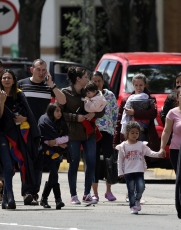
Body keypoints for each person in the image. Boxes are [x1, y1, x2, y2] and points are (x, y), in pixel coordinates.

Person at [0, 69, 41, 210]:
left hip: (18, 135)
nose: (6, 80)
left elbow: (27, 113)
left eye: (9, 77)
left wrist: (24, 118)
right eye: (4, 78)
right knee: (6, 164)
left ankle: (5, 198)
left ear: (13, 80)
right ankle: (10, 196)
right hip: (2, 134)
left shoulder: (19, 95)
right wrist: (2, 102)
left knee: (17, 166)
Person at [18, 59, 66, 205]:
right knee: (26, 161)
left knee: (38, 163)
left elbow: (62, 101)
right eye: (38, 69)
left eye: (44, 70)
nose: (41, 73)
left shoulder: (48, 86)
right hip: (26, 129)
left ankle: (33, 193)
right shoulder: (22, 84)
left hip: (43, 131)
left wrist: (52, 84)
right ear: (32, 69)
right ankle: (26, 191)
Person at [61, 67, 105, 205]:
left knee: (91, 162)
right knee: (73, 164)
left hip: (89, 133)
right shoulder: (65, 93)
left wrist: (95, 114)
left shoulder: (92, 91)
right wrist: (76, 117)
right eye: (86, 77)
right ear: (78, 79)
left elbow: (101, 109)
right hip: (73, 134)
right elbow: (59, 113)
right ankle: (73, 195)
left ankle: (87, 193)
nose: (88, 79)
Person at [115, 73, 160, 204]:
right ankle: (130, 194)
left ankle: (137, 193)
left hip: (144, 134)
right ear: (132, 85)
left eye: (141, 85)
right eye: (136, 85)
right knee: (129, 165)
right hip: (127, 137)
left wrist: (134, 112)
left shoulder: (149, 99)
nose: (138, 87)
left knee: (138, 164)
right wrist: (116, 139)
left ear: (145, 85)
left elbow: (152, 113)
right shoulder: (126, 100)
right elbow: (119, 121)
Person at [116, 121, 165, 214]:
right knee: (130, 189)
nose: (135, 135)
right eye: (132, 133)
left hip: (139, 170)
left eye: (137, 133)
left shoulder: (141, 145)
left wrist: (159, 154)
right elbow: (120, 160)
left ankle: (137, 199)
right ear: (127, 133)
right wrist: (120, 172)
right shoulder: (123, 146)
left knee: (141, 187)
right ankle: (133, 206)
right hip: (128, 172)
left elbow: (150, 153)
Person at [91, 71, 119, 202]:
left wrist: (114, 131)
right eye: (94, 81)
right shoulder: (89, 95)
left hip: (107, 132)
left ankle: (108, 191)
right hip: (92, 132)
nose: (97, 83)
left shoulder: (110, 95)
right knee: (94, 162)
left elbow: (115, 114)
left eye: (99, 81)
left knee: (109, 161)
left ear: (103, 81)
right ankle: (94, 193)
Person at [37, 103, 69, 209]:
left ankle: (44, 199)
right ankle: (58, 200)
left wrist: (56, 141)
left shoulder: (61, 123)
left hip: (58, 153)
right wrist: (58, 143)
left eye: (60, 111)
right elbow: (45, 140)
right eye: (56, 111)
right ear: (51, 111)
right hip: (47, 153)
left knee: (53, 176)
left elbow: (67, 137)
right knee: (55, 175)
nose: (59, 113)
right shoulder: (45, 121)